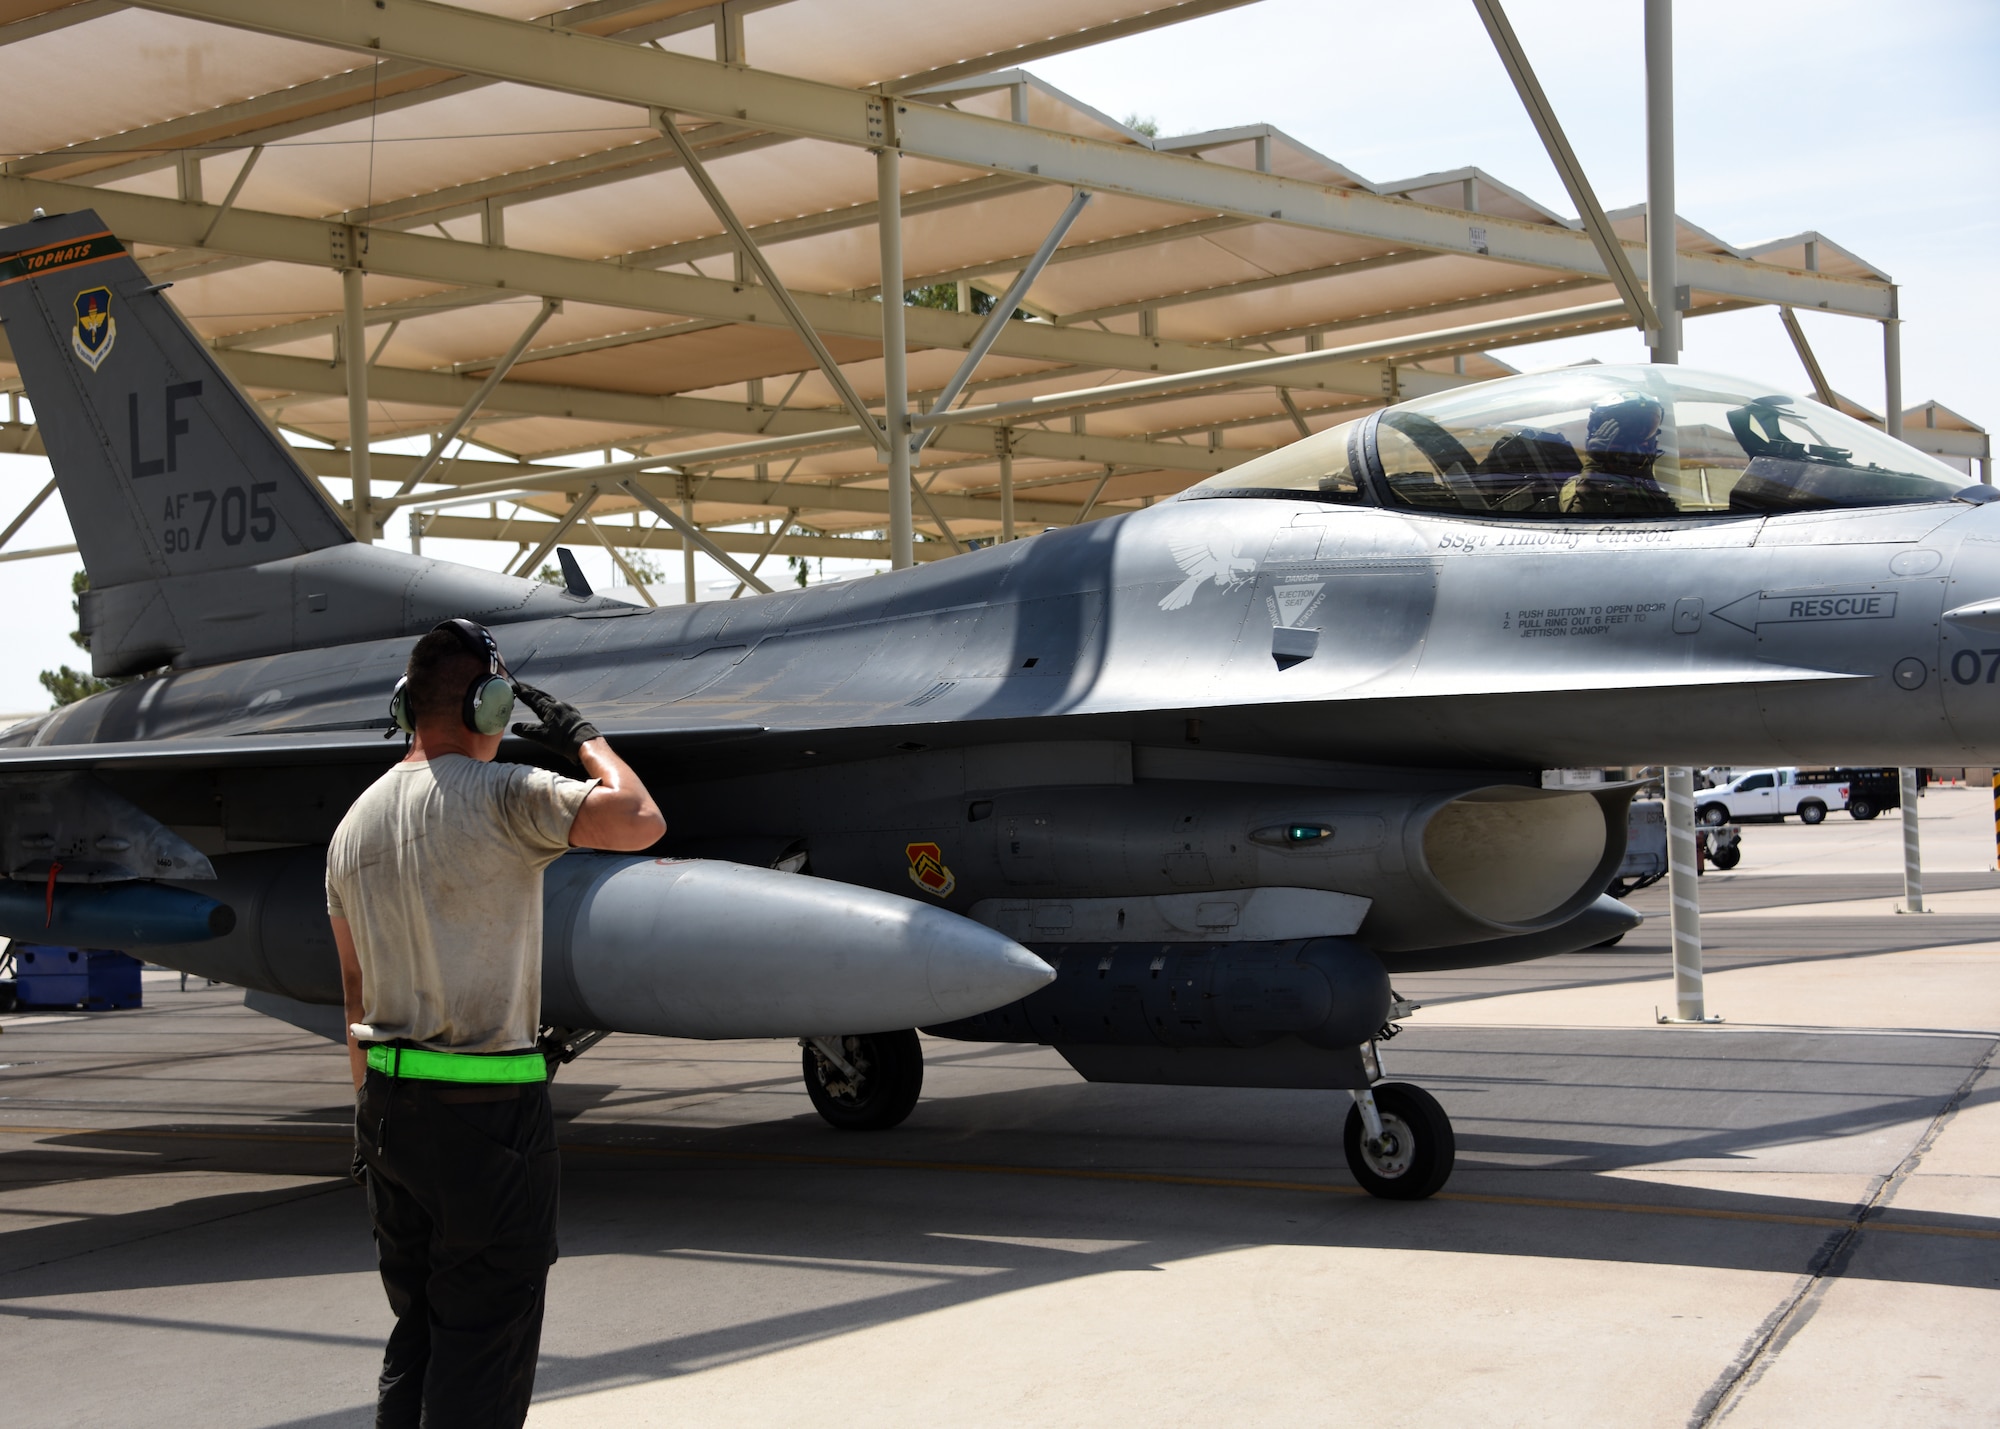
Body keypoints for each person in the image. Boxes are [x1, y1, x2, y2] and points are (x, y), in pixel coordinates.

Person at [328, 618, 664, 1429]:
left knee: (422, 1333)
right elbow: (639, 819)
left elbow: (352, 991)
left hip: (387, 1117)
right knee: (483, 1348)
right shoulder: (505, 795)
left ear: (406, 703)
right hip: (486, 1129)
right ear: (491, 705)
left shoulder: (353, 825)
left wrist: (369, 1124)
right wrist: (583, 735)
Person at [1560, 391, 1678, 516]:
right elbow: (1579, 525)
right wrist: (1594, 468)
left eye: (1643, 434)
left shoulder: (1645, 486)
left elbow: (1673, 521)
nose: (1633, 449)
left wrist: (1648, 476)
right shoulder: (1578, 485)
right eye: (1623, 438)